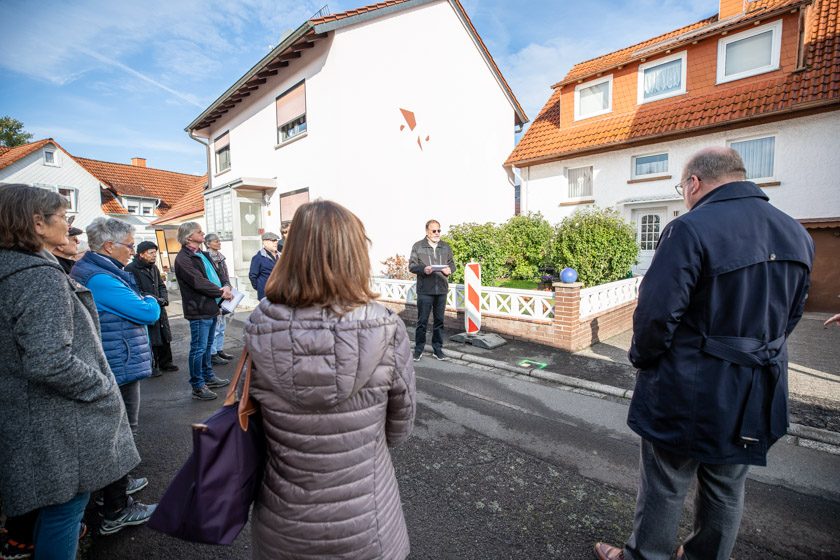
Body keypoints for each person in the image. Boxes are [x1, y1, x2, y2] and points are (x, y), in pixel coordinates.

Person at [594, 147, 814, 560]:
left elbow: (657, 315)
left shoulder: (690, 229)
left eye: (682, 187)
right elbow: (792, 315)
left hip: (689, 384)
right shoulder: (796, 233)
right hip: (755, 389)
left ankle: (646, 556)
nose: (684, 195)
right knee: (727, 485)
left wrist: (642, 359)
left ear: (694, 182)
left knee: (666, 481)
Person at [244, 200, 416, 559]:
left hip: (283, 519)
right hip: (366, 518)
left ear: (291, 254)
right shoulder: (385, 327)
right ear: (355, 254)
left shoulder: (259, 326)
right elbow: (400, 424)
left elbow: (252, 417)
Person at [0, 184, 140, 559]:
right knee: (64, 513)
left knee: (53, 511)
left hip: (28, 417)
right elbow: (49, 360)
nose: (69, 225)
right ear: (37, 224)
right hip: (56, 424)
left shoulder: (10, 268)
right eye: (62, 217)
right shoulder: (36, 275)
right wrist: (102, 386)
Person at [70, 217, 160, 535]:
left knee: (118, 431)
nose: (131, 251)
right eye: (130, 246)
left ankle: (117, 485)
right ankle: (116, 507)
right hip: (117, 362)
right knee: (121, 432)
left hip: (115, 359)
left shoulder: (99, 270)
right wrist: (150, 298)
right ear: (110, 245)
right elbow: (147, 312)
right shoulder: (100, 278)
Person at [173, 222, 232, 401]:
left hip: (211, 306)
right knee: (198, 348)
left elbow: (220, 273)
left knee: (207, 346)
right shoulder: (183, 258)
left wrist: (226, 285)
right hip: (198, 308)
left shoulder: (203, 254)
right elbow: (197, 281)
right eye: (199, 232)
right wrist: (221, 291)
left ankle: (208, 377)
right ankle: (198, 385)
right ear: (189, 236)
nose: (203, 233)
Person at [125, 241, 178, 375]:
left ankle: (166, 362)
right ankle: (152, 366)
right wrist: (155, 299)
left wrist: (164, 298)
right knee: (150, 337)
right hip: (146, 306)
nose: (154, 255)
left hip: (159, 306)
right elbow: (136, 290)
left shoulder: (154, 267)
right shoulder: (131, 269)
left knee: (164, 334)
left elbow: (161, 285)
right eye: (151, 253)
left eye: (155, 252)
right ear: (141, 254)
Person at [408, 219, 455, 361]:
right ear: (427, 232)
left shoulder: (445, 247)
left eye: (439, 230)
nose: (437, 233)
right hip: (425, 291)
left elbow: (452, 264)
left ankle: (438, 350)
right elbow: (411, 266)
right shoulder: (418, 246)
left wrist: (449, 270)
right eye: (434, 231)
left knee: (439, 321)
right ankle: (418, 350)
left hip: (441, 290)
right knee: (422, 322)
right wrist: (424, 269)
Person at [204, 233, 234, 364]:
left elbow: (225, 274)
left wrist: (228, 285)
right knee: (215, 325)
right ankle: (213, 353)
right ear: (208, 244)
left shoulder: (221, 257)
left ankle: (220, 349)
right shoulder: (206, 258)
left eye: (219, 240)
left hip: (225, 292)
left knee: (222, 324)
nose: (219, 243)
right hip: (215, 294)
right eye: (216, 241)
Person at [248, 231, 279, 300]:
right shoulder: (258, 258)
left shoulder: (282, 256)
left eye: (276, 240)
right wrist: (260, 288)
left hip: (281, 293)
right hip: (266, 295)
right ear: (265, 242)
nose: (276, 242)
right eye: (273, 240)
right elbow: (252, 276)